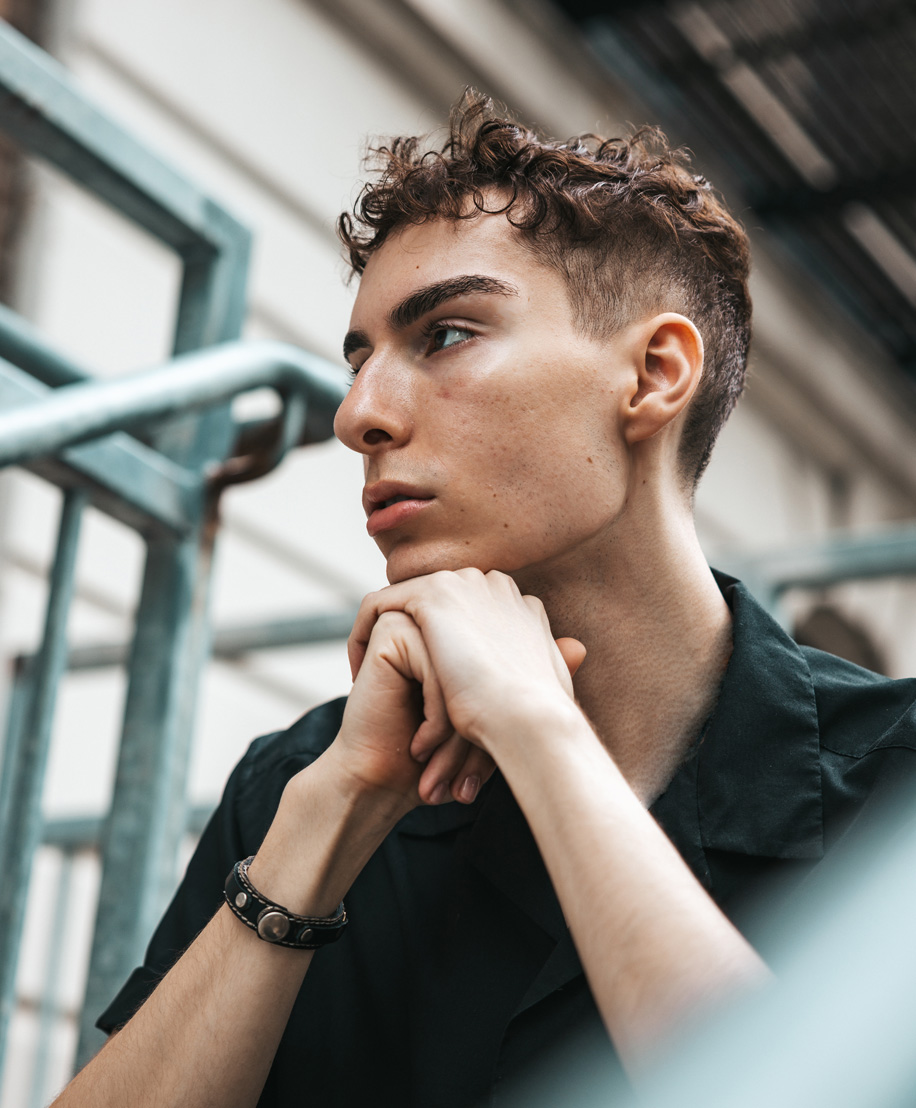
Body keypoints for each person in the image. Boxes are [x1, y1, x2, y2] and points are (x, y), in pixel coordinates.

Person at [53, 92, 916, 1108]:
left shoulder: (889, 786)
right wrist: (329, 821)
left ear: (652, 373)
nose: (357, 416)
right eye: (361, 358)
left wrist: (542, 735)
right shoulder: (302, 781)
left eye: (448, 334)